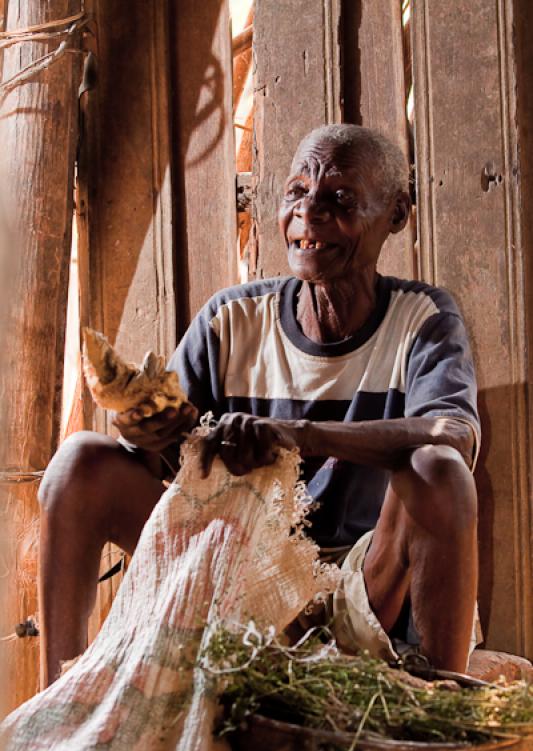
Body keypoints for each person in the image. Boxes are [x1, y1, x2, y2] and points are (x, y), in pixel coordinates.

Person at [38, 124, 480, 687]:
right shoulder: (232, 320)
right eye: (298, 192)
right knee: (80, 463)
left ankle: (443, 707)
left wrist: (302, 434)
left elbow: (454, 435)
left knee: (436, 467)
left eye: (340, 200)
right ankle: (61, 693)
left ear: (396, 213)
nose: (309, 213)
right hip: (235, 572)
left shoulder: (424, 319)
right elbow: (158, 460)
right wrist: (154, 432)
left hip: (363, 589)